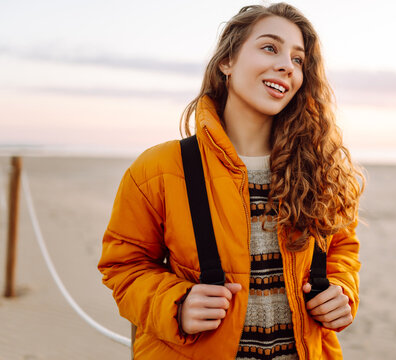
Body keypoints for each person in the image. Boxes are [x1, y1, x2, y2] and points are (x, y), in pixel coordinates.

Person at [98, 3, 364, 359]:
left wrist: (342, 290)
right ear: (227, 61)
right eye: (270, 47)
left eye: (298, 60)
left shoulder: (320, 170)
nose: (287, 65)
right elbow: (124, 265)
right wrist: (176, 304)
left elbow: (342, 252)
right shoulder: (159, 167)